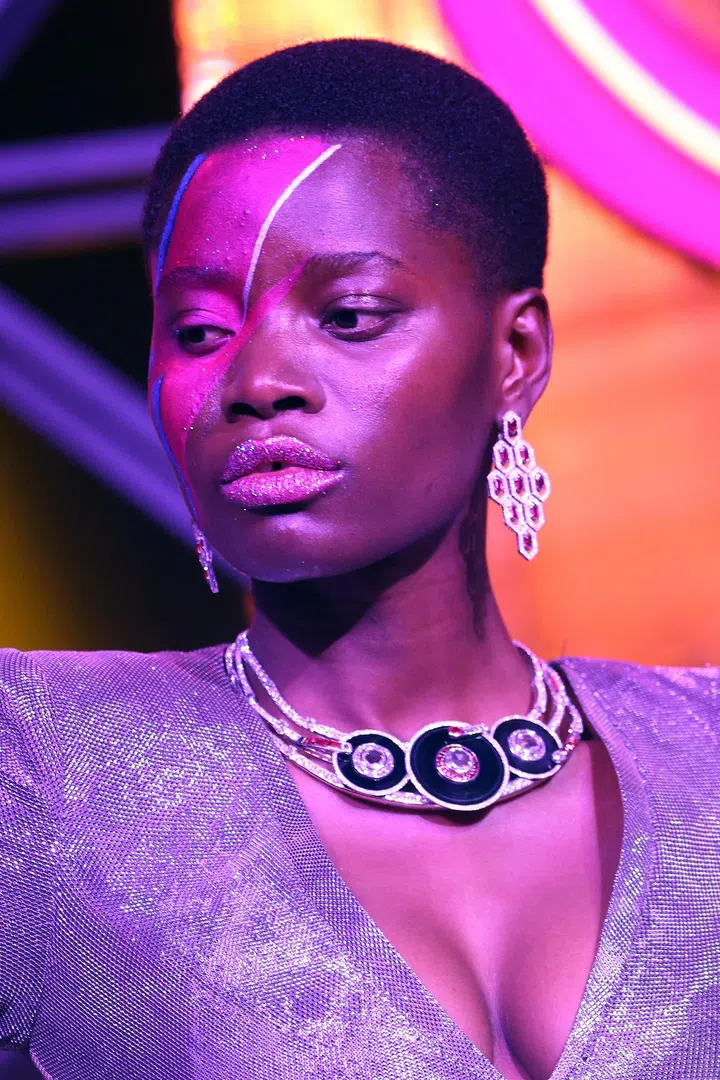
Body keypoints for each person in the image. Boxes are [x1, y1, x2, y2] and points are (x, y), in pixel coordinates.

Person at [1, 37, 718, 1080]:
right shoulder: (45, 768)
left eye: (348, 317)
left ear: (515, 355)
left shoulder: (706, 760)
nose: (257, 381)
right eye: (198, 332)